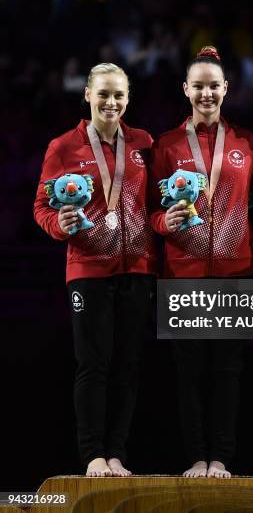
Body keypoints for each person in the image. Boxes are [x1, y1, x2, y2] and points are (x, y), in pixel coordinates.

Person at [34, 63, 157, 477]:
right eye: (103, 94)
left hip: (138, 268)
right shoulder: (63, 147)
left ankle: (117, 454)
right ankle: (92, 456)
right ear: (87, 94)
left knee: (128, 364)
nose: (111, 102)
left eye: (119, 95)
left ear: (128, 97)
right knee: (94, 364)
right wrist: (57, 224)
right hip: (88, 269)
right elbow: (41, 207)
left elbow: (154, 203)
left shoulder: (143, 143)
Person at [150, 46, 253, 478]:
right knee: (189, 374)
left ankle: (222, 458)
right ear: (185, 89)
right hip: (182, 275)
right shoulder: (166, 145)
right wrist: (165, 221)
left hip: (234, 276)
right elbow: (148, 214)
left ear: (226, 89)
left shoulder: (247, 144)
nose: (206, 93)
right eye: (198, 86)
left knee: (229, 372)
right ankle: (197, 457)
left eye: (213, 86)